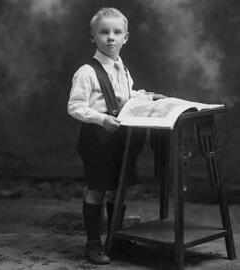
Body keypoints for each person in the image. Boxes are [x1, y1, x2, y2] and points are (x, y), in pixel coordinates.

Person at [67, 7, 164, 264]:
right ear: (93, 37)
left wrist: (148, 97)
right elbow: (75, 106)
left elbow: (127, 96)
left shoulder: (123, 68)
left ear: (126, 38)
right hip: (97, 138)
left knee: (118, 190)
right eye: (104, 32)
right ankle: (93, 244)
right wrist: (100, 118)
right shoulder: (87, 71)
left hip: (121, 137)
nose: (110, 37)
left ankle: (116, 239)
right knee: (97, 189)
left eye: (116, 32)